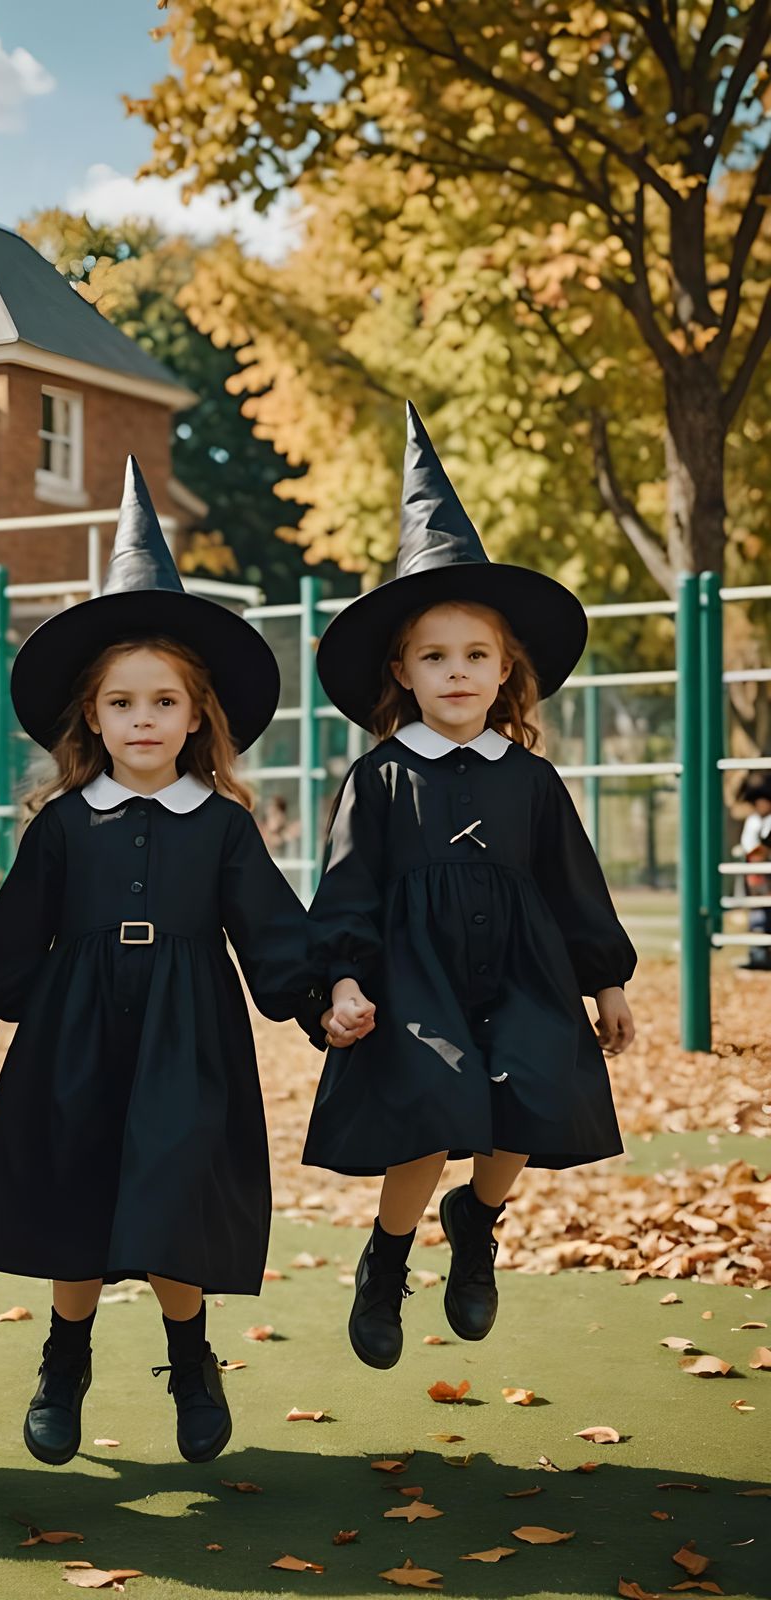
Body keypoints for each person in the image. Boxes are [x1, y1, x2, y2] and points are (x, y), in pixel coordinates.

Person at [0, 459, 341, 1466]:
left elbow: (273, 930)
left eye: (164, 701)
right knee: (76, 1195)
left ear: (197, 716)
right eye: (121, 703)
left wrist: (318, 1002)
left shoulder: (223, 825)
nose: (143, 720)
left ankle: (191, 1359)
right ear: (91, 717)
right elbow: (16, 928)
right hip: (74, 1029)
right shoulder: (61, 825)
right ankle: (63, 1361)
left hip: (186, 1030)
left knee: (172, 1194)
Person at [305, 403, 637, 1370]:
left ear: (505, 672)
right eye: (435, 656)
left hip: (525, 971)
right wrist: (343, 979)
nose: (457, 672)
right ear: (403, 672)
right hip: (416, 979)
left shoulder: (529, 779)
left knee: (532, 1091)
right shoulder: (380, 777)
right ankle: (387, 1255)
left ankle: (476, 1220)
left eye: (476, 656)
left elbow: (573, 883)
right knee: (433, 1108)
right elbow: (347, 888)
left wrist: (606, 979)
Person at [736, 773, 771, 972]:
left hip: (766, 872)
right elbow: (751, 847)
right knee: (757, 914)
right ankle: (757, 954)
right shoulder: (753, 821)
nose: (760, 805)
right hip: (756, 874)